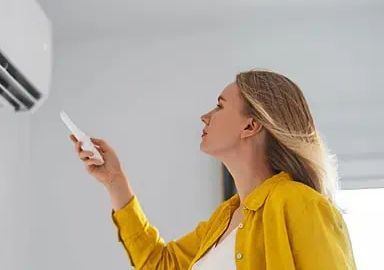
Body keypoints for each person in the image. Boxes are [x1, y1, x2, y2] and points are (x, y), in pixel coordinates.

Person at [70, 69, 357, 270]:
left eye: (219, 106)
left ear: (250, 125)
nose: (205, 117)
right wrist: (114, 181)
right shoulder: (224, 219)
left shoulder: (299, 203)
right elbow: (160, 264)